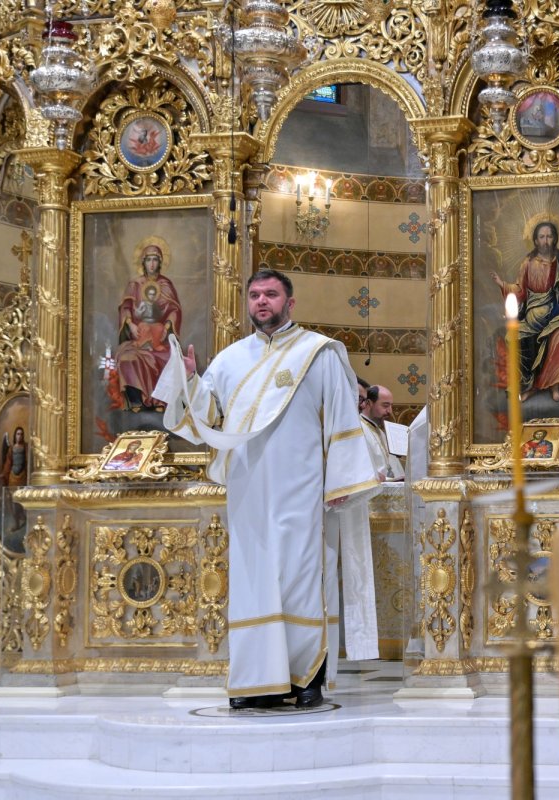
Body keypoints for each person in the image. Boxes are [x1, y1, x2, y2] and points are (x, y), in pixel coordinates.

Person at [155, 268, 381, 710]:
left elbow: (340, 417)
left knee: (300, 579)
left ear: (290, 303)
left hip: (302, 488)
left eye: (271, 294)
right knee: (254, 580)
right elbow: (206, 422)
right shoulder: (228, 359)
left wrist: (340, 482)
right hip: (248, 489)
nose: (262, 302)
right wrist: (190, 381)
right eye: (255, 295)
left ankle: (306, 679)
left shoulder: (319, 354)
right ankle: (258, 682)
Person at [490, 220, 559, 402]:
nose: (545, 241)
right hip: (532, 316)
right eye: (542, 237)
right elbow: (519, 290)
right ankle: (530, 386)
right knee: (513, 338)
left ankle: (554, 384)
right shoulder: (528, 263)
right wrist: (502, 284)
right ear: (535, 240)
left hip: (557, 314)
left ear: (556, 239)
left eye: (549, 236)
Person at [114, 241, 182, 412]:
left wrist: (167, 326)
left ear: (160, 262)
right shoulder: (134, 284)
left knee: (171, 360)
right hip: (139, 336)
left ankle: (161, 402)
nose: (152, 264)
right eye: (148, 260)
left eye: (155, 260)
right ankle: (136, 400)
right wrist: (130, 325)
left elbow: (174, 310)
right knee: (127, 359)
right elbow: (126, 308)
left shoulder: (166, 285)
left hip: (159, 337)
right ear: (143, 262)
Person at [360, 384, 405, 481]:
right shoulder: (359, 430)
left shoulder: (380, 432)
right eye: (385, 405)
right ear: (368, 403)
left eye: (391, 406)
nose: (390, 411)